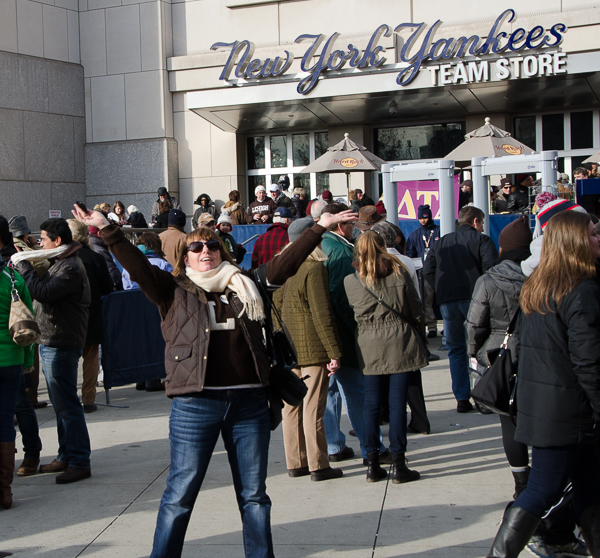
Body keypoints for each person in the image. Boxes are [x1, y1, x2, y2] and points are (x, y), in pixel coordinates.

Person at [72, 203, 357, 558]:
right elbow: (137, 266)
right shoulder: (170, 290)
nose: (205, 251)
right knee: (180, 494)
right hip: (196, 403)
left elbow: (286, 264)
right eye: (196, 247)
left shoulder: (247, 284)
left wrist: (319, 227)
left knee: (254, 496)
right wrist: (107, 229)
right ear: (186, 257)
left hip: (249, 404)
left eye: (212, 246)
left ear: (222, 251)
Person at [485, 210, 600, 558]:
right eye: (594, 234)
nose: (599, 238)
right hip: (567, 411)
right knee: (542, 490)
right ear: (577, 242)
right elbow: (589, 362)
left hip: (549, 405)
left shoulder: (541, 286)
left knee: (589, 490)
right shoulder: (581, 292)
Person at [12, 218, 92, 484]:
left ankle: (80, 461)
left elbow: (42, 292)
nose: (40, 243)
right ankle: (66, 455)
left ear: (57, 241)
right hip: (52, 341)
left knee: (68, 406)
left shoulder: (69, 266)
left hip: (62, 343)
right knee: (61, 406)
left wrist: (24, 267)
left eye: (44, 239)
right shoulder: (60, 260)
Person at [344, 231, 427, 483]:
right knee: (397, 405)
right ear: (383, 246)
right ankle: (399, 463)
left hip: (369, 344)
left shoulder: (352, 281)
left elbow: (352, 313)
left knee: (371, 406)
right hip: (400, 340)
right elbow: (416, 309)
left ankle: (372, 461)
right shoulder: (399, 273)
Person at [274, 218, 343, 481]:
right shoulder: (313, 268)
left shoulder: (279, 266)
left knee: (291, 407)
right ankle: (318, 465)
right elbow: (321, 313)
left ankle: (296, 462)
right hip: (313, 349)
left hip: (288, 350)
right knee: (313, 409)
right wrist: (334, 351)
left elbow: (275, 310)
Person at [320, 203, 389, 465]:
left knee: (331, 392)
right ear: (341, 225)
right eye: (353, 225)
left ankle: (335, 445)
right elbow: (340, 296)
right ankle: (372, 447)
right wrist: (354, 328)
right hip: (342, 333)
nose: (356, 230)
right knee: (356, 392)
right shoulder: (337, 250)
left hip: (330, 333)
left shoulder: (328, 244)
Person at [424, 206, 498, 413]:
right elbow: (491, 271)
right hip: (476, 299)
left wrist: (441, 288)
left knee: (456, 349)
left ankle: (462, 397)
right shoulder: (482, 241)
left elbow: (428, 269)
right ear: (475, 221)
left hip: (449, 300)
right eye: (482, 222)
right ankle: (483, 397)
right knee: (482, 347)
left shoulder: (442, 243)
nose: (483, 227)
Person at [372, 221, 432, 435]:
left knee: (385, 375)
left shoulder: (374, 263)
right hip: (409, 320)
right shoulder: (405, 260)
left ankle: (385, 415)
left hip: (387, 322)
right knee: (412, 374)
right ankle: (420, 418)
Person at [0, 215, 35, 508]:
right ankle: (5, 491)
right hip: (10, 361)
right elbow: (27, 325)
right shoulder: (13, 277)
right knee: (4, 423)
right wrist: (26, 360)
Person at [67, 219, 113, 413]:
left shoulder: (60, 258)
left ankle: (67, 397)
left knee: (67, 359)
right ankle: (88, 398)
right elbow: (107, 287)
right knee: (91, 357)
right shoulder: (95, 258)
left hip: (68, 316)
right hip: (92, 313)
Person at [8, 215, 49, 408]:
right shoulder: (23, 249)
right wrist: (36, 248)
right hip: (25, 308)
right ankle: (30, 397)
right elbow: (44, 267)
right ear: (25, 234)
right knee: (30, 351)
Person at [406, 204, 440, 337]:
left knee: (442, 300)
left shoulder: (438, 231)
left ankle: (446, 325)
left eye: (425, 218)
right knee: (427, 300)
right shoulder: (415, 235)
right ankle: (431, 327)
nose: (423, 221)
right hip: (424, 272)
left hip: (439, 271)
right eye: (421, 219)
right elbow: (410, 253)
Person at [89, 225, 123, 291]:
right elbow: (111, 271)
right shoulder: (100, 251)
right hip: (106, 290)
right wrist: (118, 286)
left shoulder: (89, 247)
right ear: (99, 234)